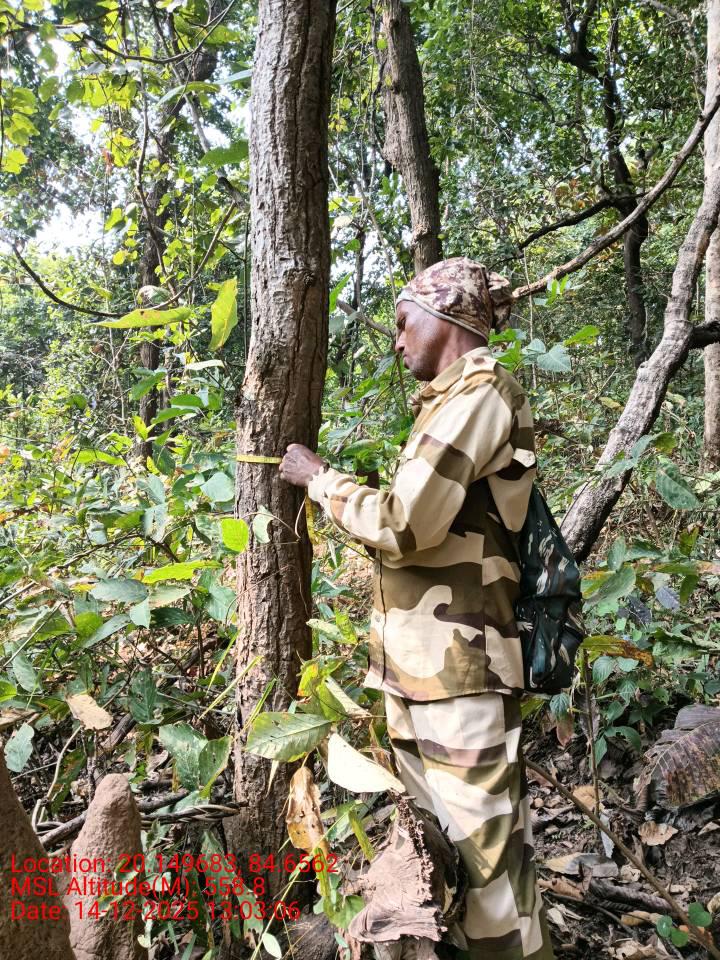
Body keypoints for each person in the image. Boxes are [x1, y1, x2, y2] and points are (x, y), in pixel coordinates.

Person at [279, 257, 554, 959]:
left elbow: (405, 525)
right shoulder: (446, 401)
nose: (398, 340)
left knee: (490, 873)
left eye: (405, 322)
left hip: (462, 673)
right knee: (442, 860)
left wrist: (322, 481)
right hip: (421, 673)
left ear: (447, 317)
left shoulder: (482, 391)